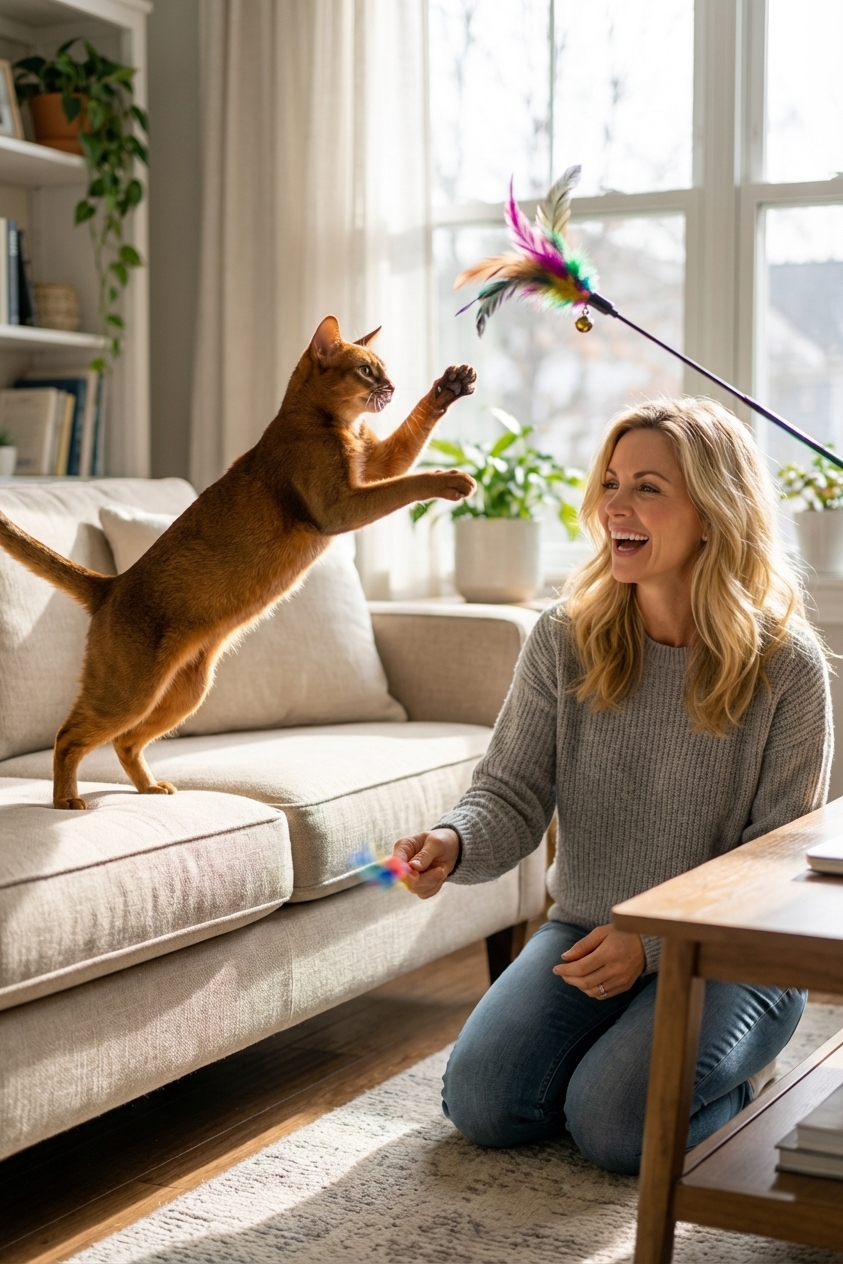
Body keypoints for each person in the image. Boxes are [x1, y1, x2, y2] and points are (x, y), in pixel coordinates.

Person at [392, 397, 832, 1175]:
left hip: (729, 954)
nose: (613, 508)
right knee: (482, 1103)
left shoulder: (785, 666)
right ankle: (627, 1055)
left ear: (713, 512)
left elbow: (773, 869)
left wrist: (655, 943)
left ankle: (746, 1083)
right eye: (609, 482)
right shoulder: (565, 636)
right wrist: (452, 842)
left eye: (647, 488)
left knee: (613, 1129)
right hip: (588, 931)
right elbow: (510, 792)